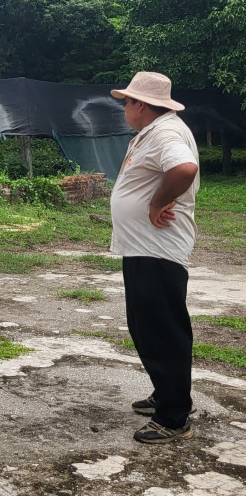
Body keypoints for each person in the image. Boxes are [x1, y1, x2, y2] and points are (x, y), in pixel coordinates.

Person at [109, 71, 200, 444]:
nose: (125, 108)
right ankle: (167, 394)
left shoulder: (165, 133)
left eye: (127, 102)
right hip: (144, 248)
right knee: (149, 328)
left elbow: (184, 168)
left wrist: (158, 202)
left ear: (142, 105)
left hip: (157, 249)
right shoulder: (155, 131)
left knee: (161, 331)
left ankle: (173, 417)